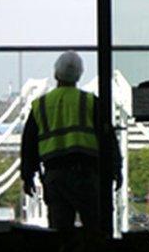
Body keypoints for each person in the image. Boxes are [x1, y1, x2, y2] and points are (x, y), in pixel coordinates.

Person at [20, 51, 122, 231]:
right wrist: (116, 168)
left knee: (60, 235)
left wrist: (28, 176)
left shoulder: (40, 105)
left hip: (55, 176)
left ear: (55, 74)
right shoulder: (90, 102)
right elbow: (108, 139)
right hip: (88, 176)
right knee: (96, 230)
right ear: (79, 75)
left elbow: (29, 145)